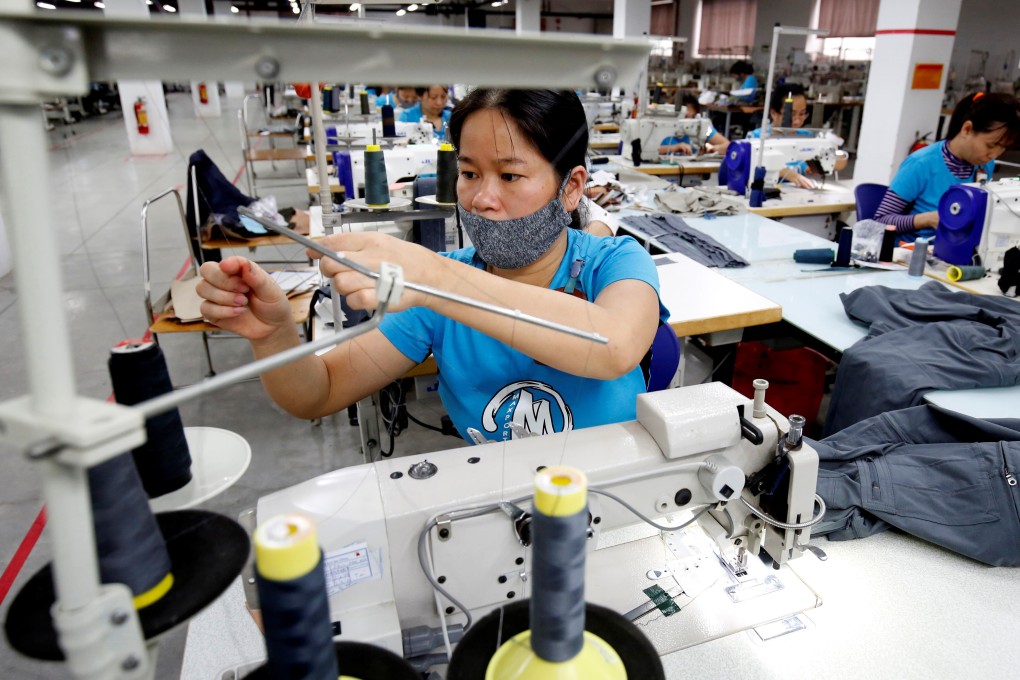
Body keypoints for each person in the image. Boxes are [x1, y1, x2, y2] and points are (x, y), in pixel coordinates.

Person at [197, 89, 668, 443]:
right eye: (468, 174)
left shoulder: (613, 262)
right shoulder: (433, 292)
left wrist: (435, 279)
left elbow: (613, 346)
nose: (482, 199)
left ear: (570, 188)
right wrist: (275, 337)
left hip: (614, 492)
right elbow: (318, 392)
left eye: (510, 175)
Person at [874, 91, 1020, 244]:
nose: (994, 155)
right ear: (967, 129)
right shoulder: (922, 163)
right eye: (991, 145)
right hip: (911, 255)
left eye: (1003, 148)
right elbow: (879, 222)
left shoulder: (984, 165)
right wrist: (927, 219)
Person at [747, 84, 848, 188]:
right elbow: (752, 163)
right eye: (791, 114)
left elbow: (840, 163)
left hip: (796, 193)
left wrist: (827, 162)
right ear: (774, 113)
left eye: (802, 114)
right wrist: (790, 174)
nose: (797, 120)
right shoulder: (757, 137)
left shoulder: (808, 137)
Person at [657, 94, 730, 156]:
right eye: (685, 116)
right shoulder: (663, 127)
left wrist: (712, 149)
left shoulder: (701, 127)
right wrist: (673, 148)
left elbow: (728, 146)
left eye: (693, 117)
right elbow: (647, 151)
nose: (690, 121)